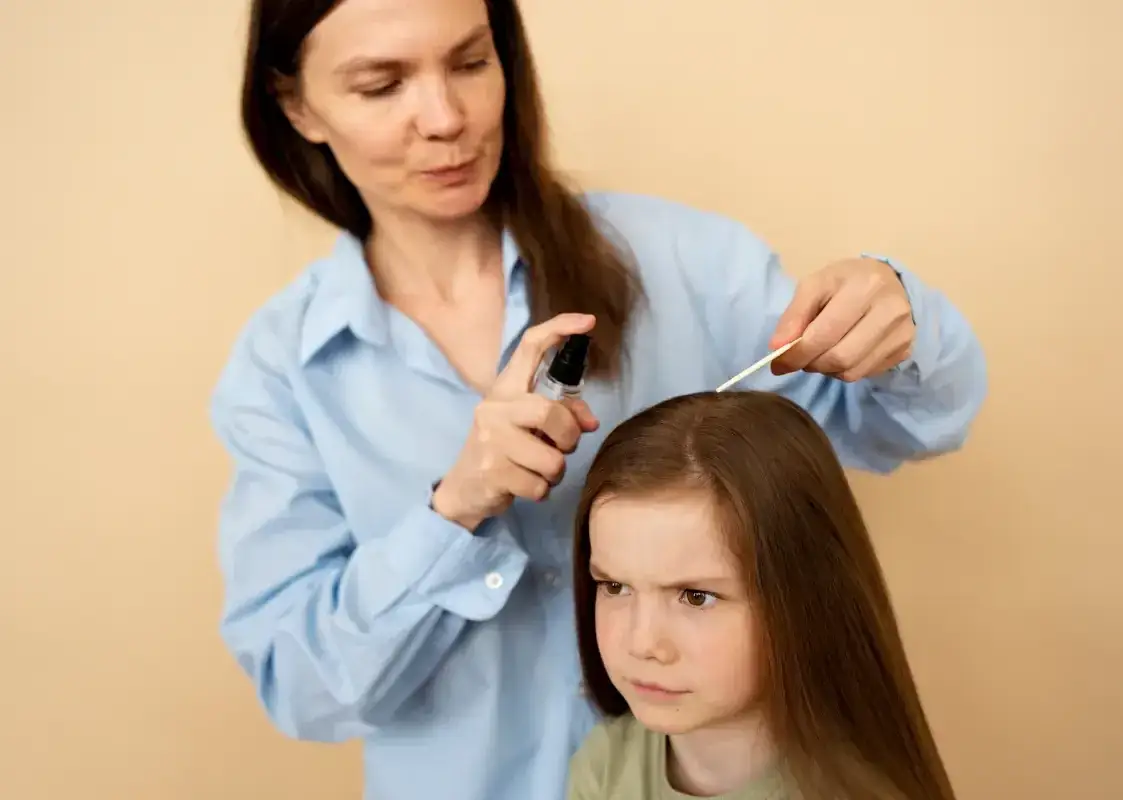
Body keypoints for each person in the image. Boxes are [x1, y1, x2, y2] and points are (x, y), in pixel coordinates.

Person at [212, 0, 986, 798]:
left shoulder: (685, 264)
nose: (446, 118)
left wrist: (899, 320)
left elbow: (901, 424)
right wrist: (455, 510)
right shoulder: (284, 372)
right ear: (297, 105)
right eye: (382, 85)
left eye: (472, 63)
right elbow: (306, 690)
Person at [568, 390, 958, 800]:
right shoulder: (607, 762)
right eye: (615, 587)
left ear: (801, 597)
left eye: (696, 596)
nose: (642, 643)